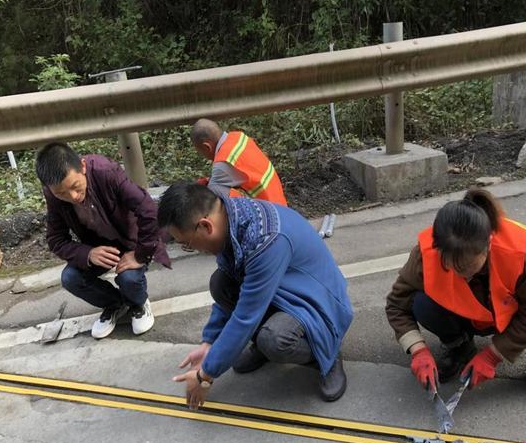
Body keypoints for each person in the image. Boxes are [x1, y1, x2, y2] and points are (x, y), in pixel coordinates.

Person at [386, 188, 526, 414]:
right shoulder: (427, 252)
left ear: (489, 244)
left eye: (467, 267)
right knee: (420, 302)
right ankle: (460, 347)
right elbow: (397, 304)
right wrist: (418, 349)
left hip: (512, 315)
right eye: (451, 266)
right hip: (465, 316)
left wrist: (493, 354)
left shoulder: (519, 251)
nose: (461, 276)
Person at [157, 182, 352, 409]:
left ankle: (327, 352)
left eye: (187, 244)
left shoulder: (266, 240)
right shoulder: (230, 217)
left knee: (274, 339)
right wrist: (209, 342)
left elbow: (245, 315)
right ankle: (264, 347)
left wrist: (205, 375)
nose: (192, 249)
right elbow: (235, 287)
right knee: (221, 283)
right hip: (282, 289)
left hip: (318, 301)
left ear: (205, 226)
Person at [36, 142, 170, 339]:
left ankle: (139, 303)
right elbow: (56, 239)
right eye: (61, 193)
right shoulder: (53, 195)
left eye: (75, 186)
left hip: (129, 242)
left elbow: (148, 209)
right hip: (97, 248)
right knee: (70, 278)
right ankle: (116, 304)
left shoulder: (105, 171)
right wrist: (88, 253)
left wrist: (140, 254)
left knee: (129, 278)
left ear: (82, 166)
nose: (72, 196)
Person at [190, 118, 287, 206]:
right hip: (278, 199)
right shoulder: (238, 137)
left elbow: (210, 193)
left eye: (201, 152)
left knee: (213, 194)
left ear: (207, 147)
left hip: (269, 209)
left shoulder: (223, 163)